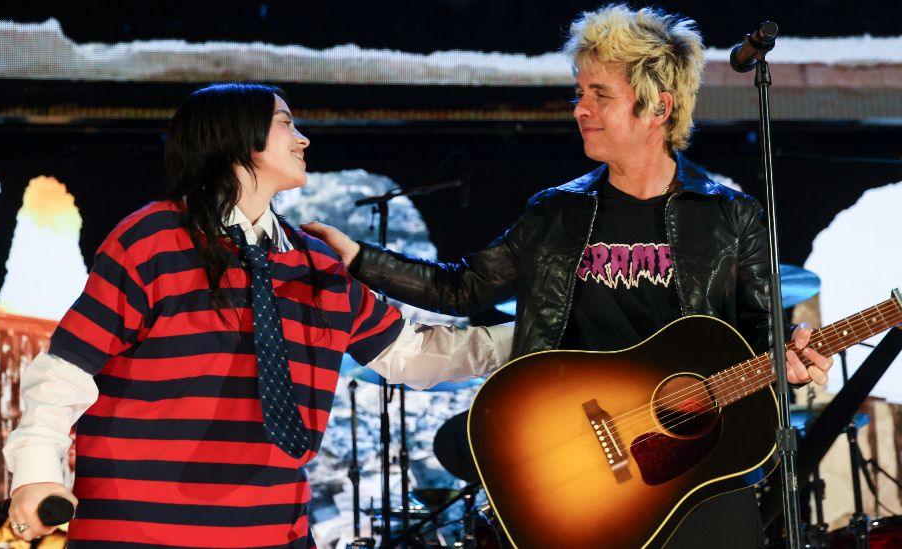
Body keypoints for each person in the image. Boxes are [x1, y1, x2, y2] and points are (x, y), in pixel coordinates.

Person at [303, 5, 834, 548]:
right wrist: (357, 258)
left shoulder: (732, 217)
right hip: (587, 481)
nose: (579, 108)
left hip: (700, 476)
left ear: (658, 106)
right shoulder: (556, 213)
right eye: (579, 93)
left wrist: (787, 360)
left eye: (599, 94)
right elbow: (460, 289)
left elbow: (756, 339)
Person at [3, 83, 513, 547]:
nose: (303, 139)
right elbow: (66, 369)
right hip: (141, 530)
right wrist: (36, 472)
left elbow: (411, 355)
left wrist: (543, 336)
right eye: (286, 122)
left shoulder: (315, 261)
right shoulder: (151, 239)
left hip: (273, 533)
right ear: (237, 137)